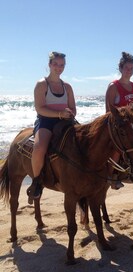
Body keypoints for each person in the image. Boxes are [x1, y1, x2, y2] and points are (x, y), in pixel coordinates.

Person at [27, 51, 77, 203]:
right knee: (39, 148)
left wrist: (69, 114)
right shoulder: (42, 84)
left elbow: (73, 109)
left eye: (62, 65)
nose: (59, 67)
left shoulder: (67, 86)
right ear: (49, 65)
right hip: (46, 121)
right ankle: (36, 182)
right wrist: (60, 114)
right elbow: (40, 108)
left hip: (66, 122)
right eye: (55, 64)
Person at [105, 52, 133, 189]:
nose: (129, 71)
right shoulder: (114, 86)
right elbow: (108, 111)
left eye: (131, 68)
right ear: (121, 68)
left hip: (130, 123)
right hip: (116, 123)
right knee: (117, 147)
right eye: (126, 68)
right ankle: (112, 176)